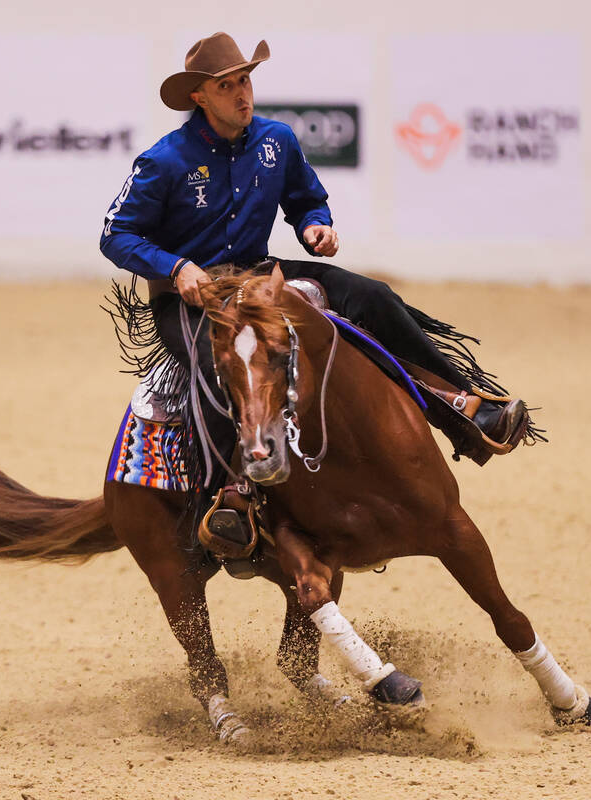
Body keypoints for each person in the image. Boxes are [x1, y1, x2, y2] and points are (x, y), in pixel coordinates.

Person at [100, 32, 531, 549]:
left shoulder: (276, 140)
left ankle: (463, 407)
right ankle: (228, 499)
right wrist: (175, 268)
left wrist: (315, 226)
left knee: (372, 297)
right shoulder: (164, 160)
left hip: (260, 273)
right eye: (227, 86)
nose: (243, 94)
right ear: (200, 96)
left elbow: (306, 199)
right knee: (219, 371)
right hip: (193, 295)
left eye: (245, 81)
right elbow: (115, 234)